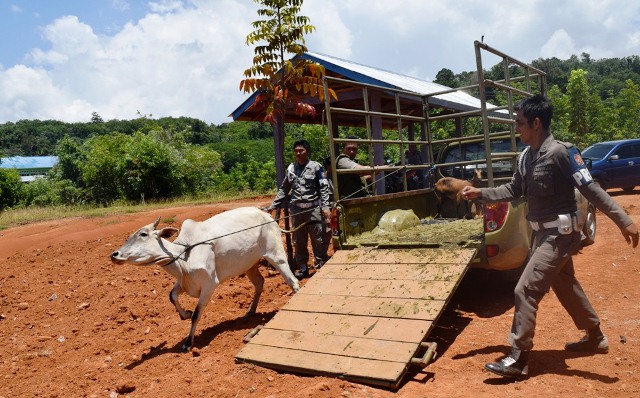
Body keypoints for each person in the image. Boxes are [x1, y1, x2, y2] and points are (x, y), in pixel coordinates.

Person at [461, 94, 639, 379]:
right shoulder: (526, 157)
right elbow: (513, 190)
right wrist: (480, 193)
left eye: (520, 123)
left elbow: (590, 188)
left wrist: (623, 219)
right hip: (542, 236)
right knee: (565, 285)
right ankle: (595, 337)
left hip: (561, 235)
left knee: (525, 290)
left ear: (536, 122)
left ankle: (519, 359)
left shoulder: (562, 153)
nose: (516, 129)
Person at [268, 139, 332, 280]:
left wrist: (325, 206)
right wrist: (274, 204)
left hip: (314, 210)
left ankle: (320, 263)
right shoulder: (291, 169)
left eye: (301, 150)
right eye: (296, 151)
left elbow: (324, 188)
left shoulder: (316, 167)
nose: (298, 153)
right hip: (297, 212)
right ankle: (303, 267)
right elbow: (284, 188)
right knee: (299, 240)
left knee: (318, 239)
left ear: (307, 152)